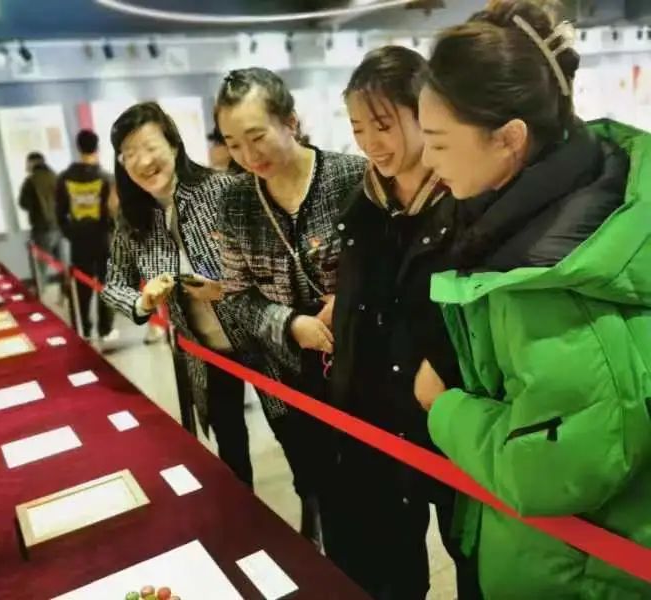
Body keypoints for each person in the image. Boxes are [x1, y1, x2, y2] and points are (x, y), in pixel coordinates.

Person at [414, 1, 651, 598]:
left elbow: (554, 471)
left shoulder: (553, 285)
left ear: (509, 139)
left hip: (574, 571)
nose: (427, 161)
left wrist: (445, 408)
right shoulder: (580, 185)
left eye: (438, 142)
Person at [330, 46, 482, 599]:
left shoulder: (465, 198)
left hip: (446, 417)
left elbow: (480, 308)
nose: (371, 143)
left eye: (382, 125)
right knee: (392, 567)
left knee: (471, 556)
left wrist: (441, 363)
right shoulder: (361, 205)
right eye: (357, 129)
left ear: (424, 113)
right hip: (376, 417)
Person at [215, 67, 366, 546]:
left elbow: (388, 268)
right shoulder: (235, 202)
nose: (247, 155)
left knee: (370, 495)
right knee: (316, 481)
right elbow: (236, 296)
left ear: (291, 122)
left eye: (257, 137)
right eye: (233, 144)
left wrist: (350, 302)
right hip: (289, 378)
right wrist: (290, 324)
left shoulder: (352, 177)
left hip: (360, 374)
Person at [102, 102, 266, 486]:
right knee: (231, 454)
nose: (143, 161)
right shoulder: (132, 220)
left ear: (173, 145)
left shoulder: (222, 189)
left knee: (298, 440)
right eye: (129, 154)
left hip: (261, 339)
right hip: (205, 353)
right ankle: (244, 516)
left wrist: (224, 290)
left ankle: (315, 515)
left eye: (150, 146)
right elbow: (113, 284)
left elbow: (268, 263)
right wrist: (143, 301)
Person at [56, 129, 119, 346]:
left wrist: (72, 234)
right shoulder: (107, 178)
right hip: (104, 240)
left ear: (78, 147)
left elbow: (60, 214)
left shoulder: (65, 178)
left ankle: (83, 328)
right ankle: (105, 329)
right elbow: (114, 213)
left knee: (81, 288)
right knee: (106, 284)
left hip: (79, 242)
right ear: (97, 148)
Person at [18, 151, 61, 289]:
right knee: (63, 266)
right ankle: (69, 294)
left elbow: (23, 203)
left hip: (41, 230)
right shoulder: (56, 177)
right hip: (59, 228)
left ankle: (41, 295)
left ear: (33, 163)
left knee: (40, 269)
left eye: (27, 163)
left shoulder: (30, 181)